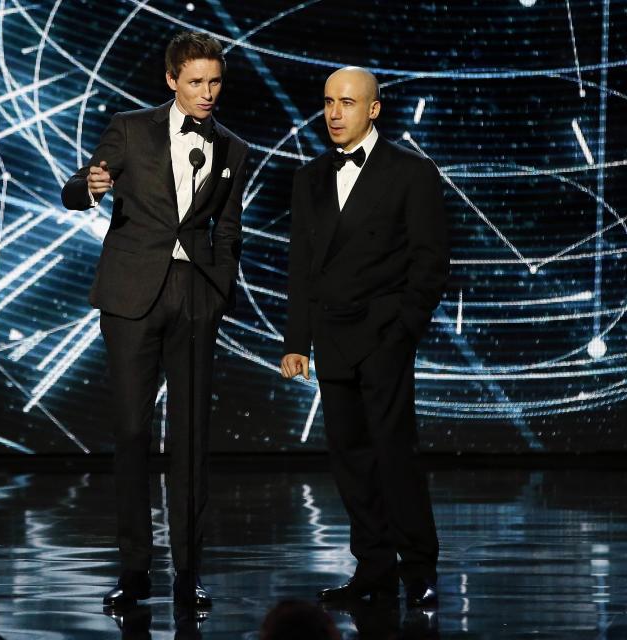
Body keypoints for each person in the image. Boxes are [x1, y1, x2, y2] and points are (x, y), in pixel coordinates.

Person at [61, 31, 248, 608]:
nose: (207, 93)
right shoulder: (130, 128)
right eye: (195, 82)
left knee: (191, 440)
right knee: (133, 434)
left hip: (195, 297)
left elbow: (230, 229)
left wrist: (218, 292)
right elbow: (78, 187)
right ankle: (135, 571)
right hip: (131, 295)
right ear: (172, 81)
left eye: (214, 82)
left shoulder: (233, 148)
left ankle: (188, 572)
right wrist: (88, 187)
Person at [280, 66, 448, 609]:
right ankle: (373, 569)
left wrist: (403, 331)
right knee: (350, 459)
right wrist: (295, 342)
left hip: (383, 336)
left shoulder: (410, 173)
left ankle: (419, 567)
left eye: (347, 102)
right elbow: (302, 267)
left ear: (373, 109)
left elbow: (430, 261)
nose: (333, 113)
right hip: (331, 336)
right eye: (328, 101)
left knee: (394, 455)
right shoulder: (308, 178)